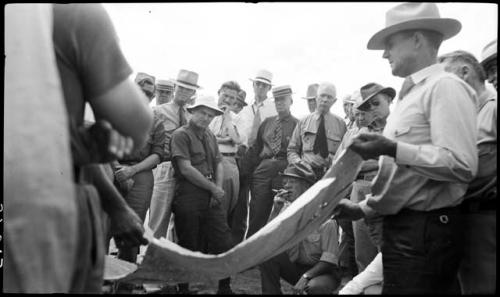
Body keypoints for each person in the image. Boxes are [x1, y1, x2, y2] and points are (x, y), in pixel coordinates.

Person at [333, 3, 478, 294]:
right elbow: (408, 180)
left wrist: (392, 147)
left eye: (390, 44)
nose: (386, 54)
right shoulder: (410, 97)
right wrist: (362, 209)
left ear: (416, 39)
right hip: (407, 230)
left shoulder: (445, 87)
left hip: (426, 232)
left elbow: (462, 164)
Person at [51, 3, 154, 293]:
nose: (145, 97)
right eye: (142, 91)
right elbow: (133, 125)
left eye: (150, 94)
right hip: (55, 205)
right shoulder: (75, 14)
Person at [439, 50, 497, 294]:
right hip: (468, 219)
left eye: (446, 78)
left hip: (485, 218)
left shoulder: (493, 110)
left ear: (465, 71)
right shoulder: (469, 115)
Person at [170, 95, 235, 294]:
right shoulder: (181, 135)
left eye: (210, 115)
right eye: (202, 113)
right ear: (192, 111)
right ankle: (183, 289)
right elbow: (186, 169)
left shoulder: (210, 136)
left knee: (223, 241)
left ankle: (225, 288)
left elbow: (218, 162)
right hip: (189, 194)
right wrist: (213, 188)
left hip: (211, 195)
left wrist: (217, 188)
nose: (206, 118)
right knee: (188, 243)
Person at [260, 163, 341, 295]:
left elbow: (328, 261)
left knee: (315, 287)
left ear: (307, 187)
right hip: (296, 267)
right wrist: (276, 209)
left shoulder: (324, 216)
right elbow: (267, 240)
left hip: (322, 272)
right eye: (285, 182)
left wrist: (306, 277)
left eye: (292, 181)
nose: (286, 186)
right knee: (266, 255)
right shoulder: (285, 208)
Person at [148, 69, 200, 240]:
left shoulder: (192, 115)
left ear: (193, 93)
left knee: (181, 220)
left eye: (188, 90)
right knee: (158, 217)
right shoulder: (158, 111)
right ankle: (150, 258)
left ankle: (169, 260)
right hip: (166, 167)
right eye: (181, 88)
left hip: (188, 171)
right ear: (175, 87)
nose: (184, 92)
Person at [245, 85, 299, 238]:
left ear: (291, 101)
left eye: (283, 99)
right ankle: (251, 255)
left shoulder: (297, 125)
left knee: (280, 214)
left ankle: (273, 258)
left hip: (284, 171)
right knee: (257, 213)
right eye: (276, 100)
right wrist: (247, 174)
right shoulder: (267, 123)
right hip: (263, 171)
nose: (279, 103)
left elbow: (298, 151)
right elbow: (255, 149)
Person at [288, 82, 347, 180]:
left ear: (334, 101)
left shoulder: (341, 124)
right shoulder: (303, 122)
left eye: (329, 97)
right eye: (322, 96)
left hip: (329, 176)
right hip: (304, 175)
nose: (325, 100)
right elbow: (291, 150)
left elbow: (345, 154)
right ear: (316, 97)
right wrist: (300, 165)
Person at [209, 81, 243, 229]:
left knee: (223, 207)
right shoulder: (209, 114)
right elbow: (205, 137)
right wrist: (224, 139)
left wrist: (228, 117)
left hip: (227, 161)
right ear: (218, 93)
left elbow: (237, 140)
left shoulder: (238, 118)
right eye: (225, 95)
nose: (228, 100)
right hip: (207, 162)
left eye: (232, 98)